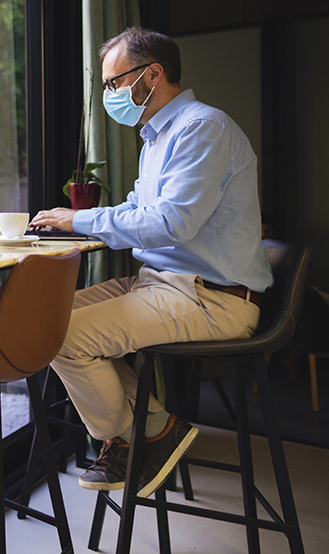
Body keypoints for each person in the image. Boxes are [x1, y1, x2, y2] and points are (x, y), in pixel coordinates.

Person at [29, 27, 272, 497]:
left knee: (60, 337)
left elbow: (170, 223)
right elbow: (138, 209)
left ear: (152, 75)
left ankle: (132, 439)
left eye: (113, 83)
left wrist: (79, 220)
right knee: (43, 323)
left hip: (211, 297)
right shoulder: (157, 137)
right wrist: (75, 220)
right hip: (163, 282)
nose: (109, 95)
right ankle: (157, 429)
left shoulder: (203, 127)